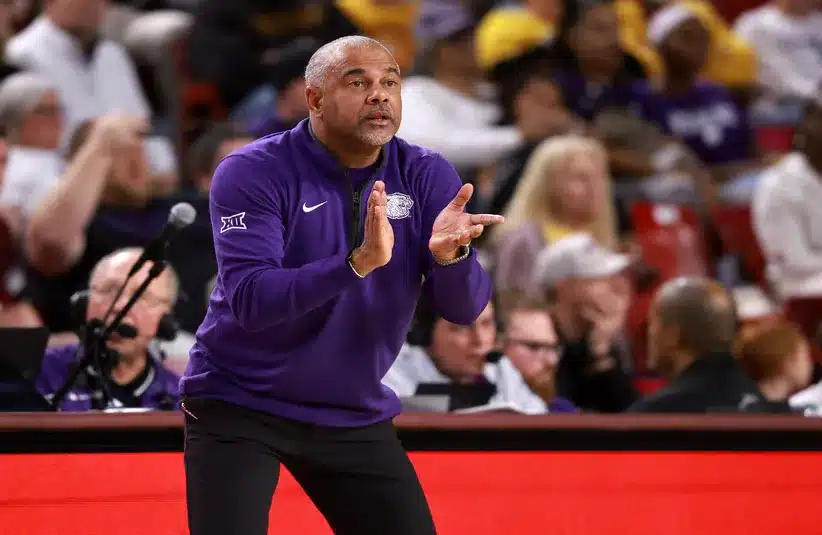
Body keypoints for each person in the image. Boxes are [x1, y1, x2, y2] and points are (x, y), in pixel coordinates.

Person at [181, 36, 504, 535]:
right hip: (240, 401)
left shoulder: (425, 174)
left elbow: (464, 310)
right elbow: (251, 301)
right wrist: (354, 265)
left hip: (350, 408)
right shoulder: (252, 171)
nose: (379, 95)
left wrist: (450, 257)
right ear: (314, 99)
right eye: (359, 82)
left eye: (390, 83)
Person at [36, 247, 181, 411]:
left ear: (165, 319)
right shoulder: (39, 374)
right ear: (84, 303)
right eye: (110, 290)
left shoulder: (182, 400)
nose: (120, 306)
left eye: (140, 297)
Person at [628, 276, 767, 413]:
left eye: (653, 324)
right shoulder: (768, 408)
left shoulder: (656, 416)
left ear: (672, 336)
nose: (649, 334)